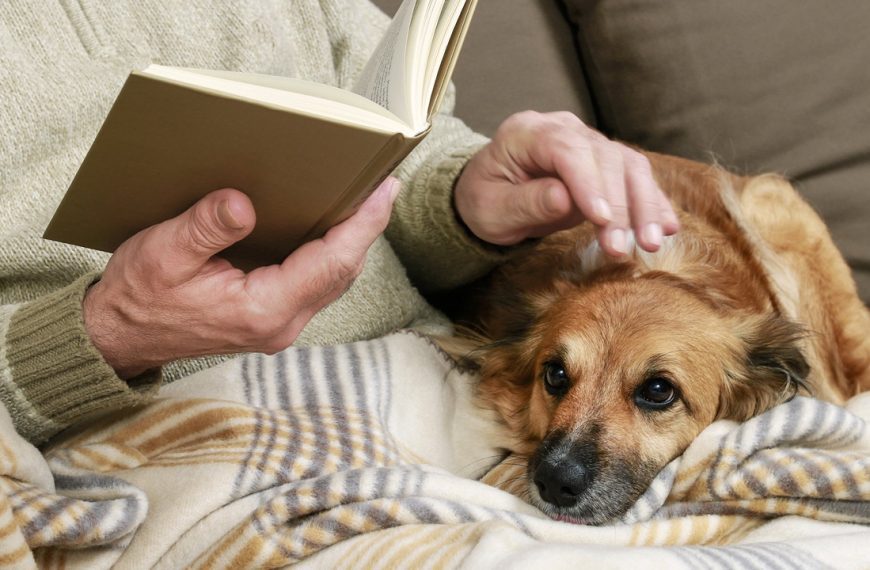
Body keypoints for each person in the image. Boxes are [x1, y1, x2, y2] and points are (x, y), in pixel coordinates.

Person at [0, 0, 677, 446]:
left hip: (453, 387)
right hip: (173, 440)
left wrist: (465, 201)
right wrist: (110, 334)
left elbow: (392, 138)